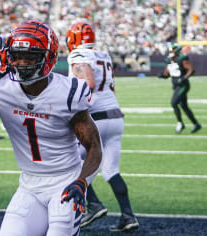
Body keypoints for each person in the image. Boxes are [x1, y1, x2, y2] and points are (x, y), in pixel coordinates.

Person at [0, 20, 102, 236]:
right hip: (28, 185)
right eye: (17, 55)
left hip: (65, 181)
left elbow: (94, 146)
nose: (22, 62)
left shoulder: (68, 92)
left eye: (30, 57)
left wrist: (82, 182)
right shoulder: (2, 88)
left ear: (48, 57)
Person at [66, 22, 139, 232]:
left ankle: (94, 204)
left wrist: (73, 104)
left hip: (96, 117)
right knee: (111, 170)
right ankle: (128, 216)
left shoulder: (78, 55)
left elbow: (87, 83)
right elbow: (110, 88)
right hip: (115, 116)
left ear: (73, 38)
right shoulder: (103, 55)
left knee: (70, 162)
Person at [158, 43, 201, 134]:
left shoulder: (182, 59)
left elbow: (191, 70)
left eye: (171, 50)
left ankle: (180, 123)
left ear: (176, 51)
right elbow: (167, 74)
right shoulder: (169, 60)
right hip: (176, 85)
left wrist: (184, 78)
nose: (169, 52)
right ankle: (196, 124)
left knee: (174, 103)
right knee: (184, 106)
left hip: (183, 85)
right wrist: (162, 76)